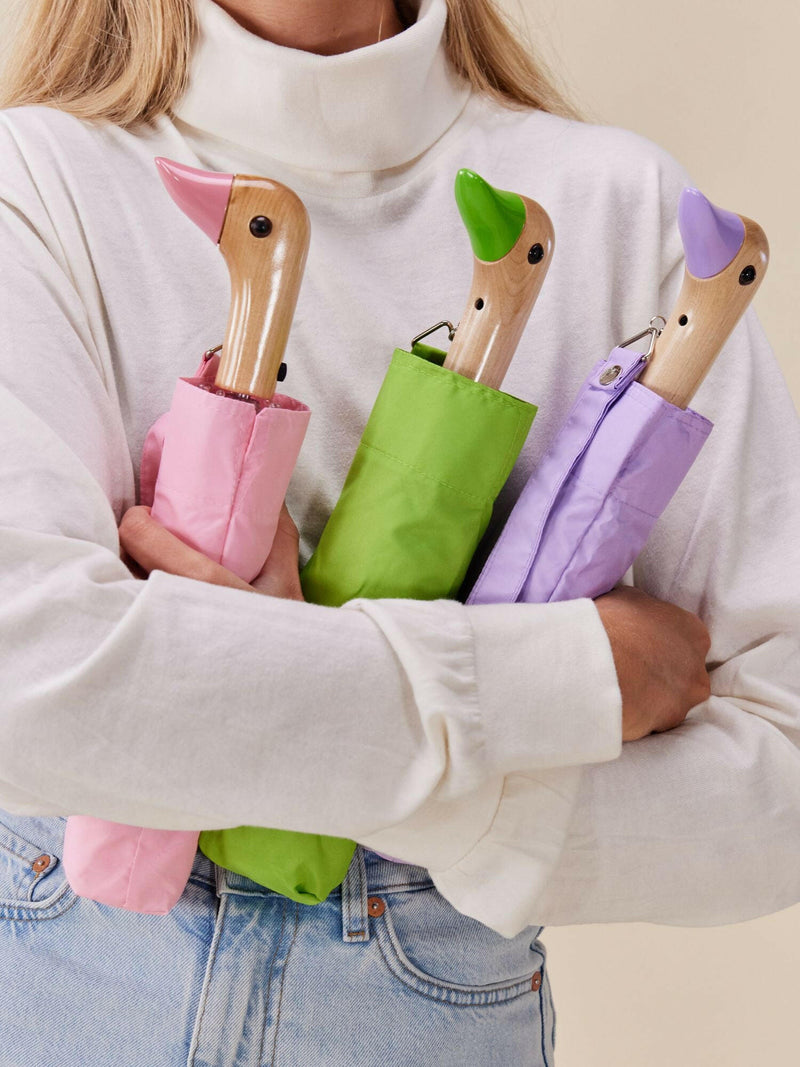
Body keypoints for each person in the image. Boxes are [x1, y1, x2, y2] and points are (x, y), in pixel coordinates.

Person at [0, 0, 797, 1063]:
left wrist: (287, 718)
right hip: (60, 964)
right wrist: (559, 676)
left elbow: (776, 781)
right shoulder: (35, 182)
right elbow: (31, 683)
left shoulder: (623, 203)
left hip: (428, 981)